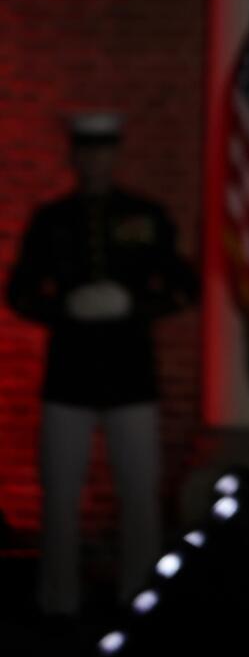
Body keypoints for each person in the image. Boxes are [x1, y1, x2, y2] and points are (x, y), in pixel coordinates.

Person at [7, 112, 198, 617]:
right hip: (68, 377)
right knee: (59, 496)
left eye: (103, 150)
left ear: (114, 155)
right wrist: (62, 308)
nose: (94, 161)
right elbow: (19, 292)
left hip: (131, 374)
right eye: (86, 151)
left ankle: (140, 597)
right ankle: (57, 602)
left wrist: (133, 305)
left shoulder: (147, 216)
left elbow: (184, 286)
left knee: (138, 493)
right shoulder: (52, 220)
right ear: (75, 156)